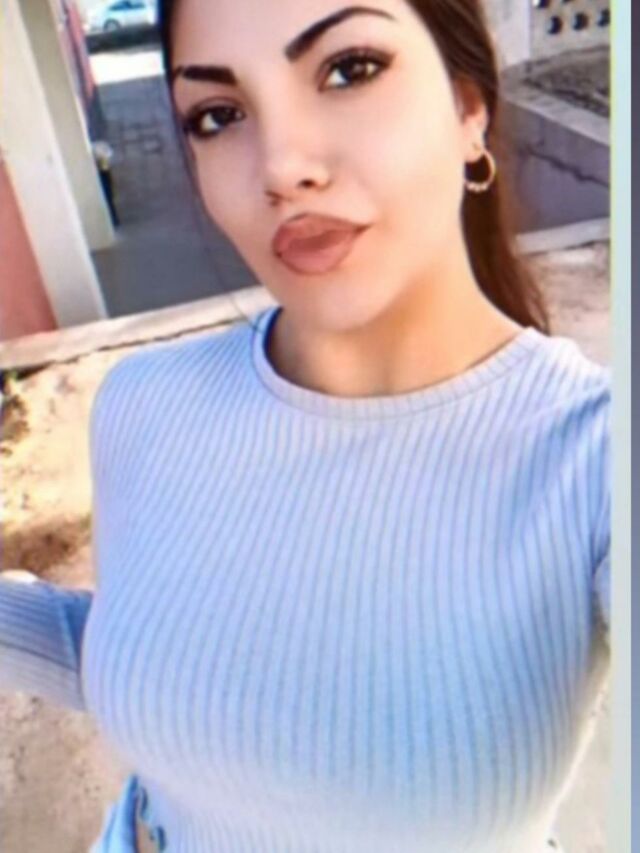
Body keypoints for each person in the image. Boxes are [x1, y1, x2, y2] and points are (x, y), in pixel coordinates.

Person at [0, 1, 610, 851]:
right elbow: (142, 656)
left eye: (350, 70)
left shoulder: (593, 459)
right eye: (219, 115)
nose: (281, 167)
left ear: (469, 106)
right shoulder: (143, 402)